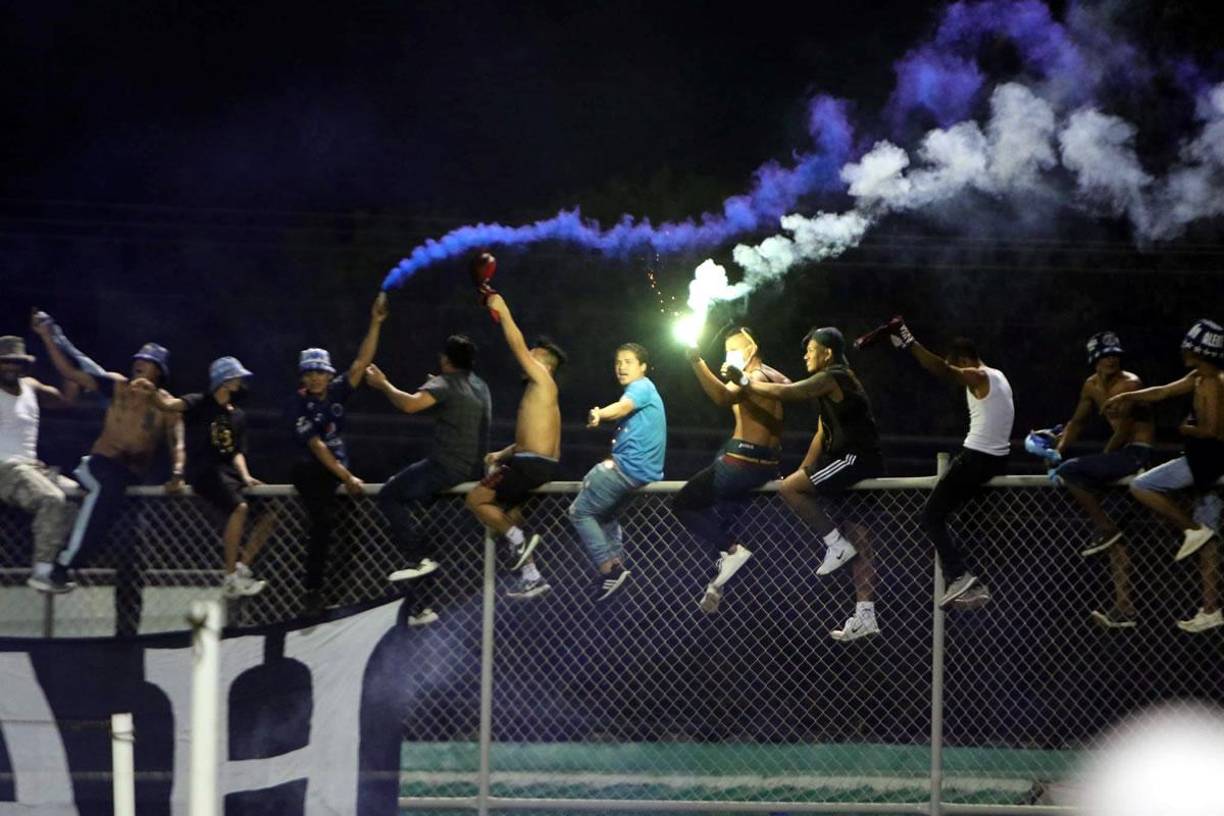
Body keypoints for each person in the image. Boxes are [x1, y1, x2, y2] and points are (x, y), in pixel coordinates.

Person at [731, 327, 885, 641]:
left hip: (854, 460)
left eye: (811, 349)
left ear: (827, 353)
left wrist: (745, 381)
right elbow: (820, 431)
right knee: (861, 540)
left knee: (789, 489)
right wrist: (803, 470)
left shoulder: (835, 375)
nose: (805, 355)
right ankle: (865, 615)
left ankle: (834, 543)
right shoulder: (829, 386)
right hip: (854, 461)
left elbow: (790, 392)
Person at [30, 311, 184, 594]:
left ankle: (126, 632)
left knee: (129, 544)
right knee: (107, 489)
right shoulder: (118, 386)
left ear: (159, 371)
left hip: (131, 480)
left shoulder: (167, 405)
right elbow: (70, 371)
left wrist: (177, 472)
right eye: (138, 360)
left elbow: (178, 442)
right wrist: (47, 338)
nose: (139, 364)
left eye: (147, 363)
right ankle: (61, 566)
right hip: (100, 465)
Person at [871, 317, 1013, 610]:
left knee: (931, 516)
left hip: (977, 457)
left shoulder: (980, 375)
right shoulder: (1000, 376)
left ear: (965, 361)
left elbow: (941, 369)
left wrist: (910, 341)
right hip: (996, 460)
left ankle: (961, 577)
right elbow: (935, 366)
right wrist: (908, 352)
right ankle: (974, 583)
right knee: (965, 521)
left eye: (958, 365)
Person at [1105, 318, 1224, 634]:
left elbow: (1212, 430)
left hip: (1208, 459)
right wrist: (1128, 397)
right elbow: (1162, 393)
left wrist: (1186, 429)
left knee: (1142, 485)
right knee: (1208, 531)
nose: (1183, 349)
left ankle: (1189, 529)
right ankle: (1210, 608)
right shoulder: (1199, 376)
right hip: (1206, 461)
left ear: (1200, 350)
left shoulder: (1213, 381)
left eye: (1189, 346)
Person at [366, 333, 492, 625]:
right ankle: (421, 606)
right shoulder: (480, 386)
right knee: (430, 539)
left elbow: (410, 405)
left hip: (445, 467)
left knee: (390, 495)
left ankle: (415, 558)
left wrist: (382, 384)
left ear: (445, 359)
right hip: (472, 471)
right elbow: (462, 410)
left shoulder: (444, 384)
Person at [673, 327, 788, 614]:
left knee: (683, 503)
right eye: (725, 350)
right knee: (723, 514)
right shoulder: (773, 376)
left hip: (741, 465)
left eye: (734, 349)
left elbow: (723, 397)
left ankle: (733, 551)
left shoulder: (755, 378)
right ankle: (719, 578)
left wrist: (696, 360)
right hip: (766, 465)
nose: (729, 355)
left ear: (751, 350)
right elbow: (787, 387)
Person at [137, 357, 271, 597]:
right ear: (225, 381)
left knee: (268, 514)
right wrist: (152, 391)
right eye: (236, 378)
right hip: (205, 470)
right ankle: (230, 577)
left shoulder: (237, 415)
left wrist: (246, 476)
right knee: (239, 508)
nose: (240, 382)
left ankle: (241, 567)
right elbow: (169, 406)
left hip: (229, 472)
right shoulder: (200, 402)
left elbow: (237, 451)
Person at [289, 293, 389, 614]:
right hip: (314, 470)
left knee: (351, 535)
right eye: (310, 372)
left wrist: (375, 322)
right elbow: (316, 445)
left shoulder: (335, 393)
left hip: (339, 471)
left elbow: (361, 363)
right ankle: (313, 593)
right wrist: (346, 475)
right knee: (321, 526)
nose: (316, 377)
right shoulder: (298, 403)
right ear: (303, 377)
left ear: (329, 375)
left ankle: (335, 597)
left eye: (321, 372)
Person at [1050, 331, 1154, 629]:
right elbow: (1078, 421)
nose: (1111, 359)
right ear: (1095, 358)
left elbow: (1123, 431)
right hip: (1120, 458)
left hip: (1136, 453)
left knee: (1071, 471)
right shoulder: (1091, 386)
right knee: (1117, 535)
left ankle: (1103, 528)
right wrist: (1058, 448)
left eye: (1115, 355)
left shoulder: (1130, 384)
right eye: (1106, 355)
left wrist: (1100, 461)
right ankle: (1124, 607)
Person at [464, 292, 564, 601]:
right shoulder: (542, 394)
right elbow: (532, 439)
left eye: (532, 356)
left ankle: (518, 539)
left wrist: (504, 311)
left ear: (543, 365)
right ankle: (531, 576)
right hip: (538, 464)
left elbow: (516, 345)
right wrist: (502, 454)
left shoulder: (543, 381)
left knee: (476, 500)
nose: (526, 358)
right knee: (512, 514)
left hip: (530, 464)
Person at [570, 342, 666, 600]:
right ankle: (617, 568)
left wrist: (600, 413)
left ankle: (608, 570)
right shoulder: (646, 390)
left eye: (628, 362)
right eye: (618, 362)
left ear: (643, 367)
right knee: (606, 516)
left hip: (630, 469)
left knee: (580, 512)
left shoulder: (641, 387)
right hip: (642, 473)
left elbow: (622, 407)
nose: (621, 367)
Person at [0, 334, 78, 592]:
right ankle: (41, 571)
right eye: (5, 362)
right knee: (52, 499)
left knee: (78, 495)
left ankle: (59, 561)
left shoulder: (31, 386)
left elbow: (67, 399)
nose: (11, 366)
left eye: (16, 362)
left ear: (24, 365)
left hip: (31, 466)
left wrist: (69, 366)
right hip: (4, 467)